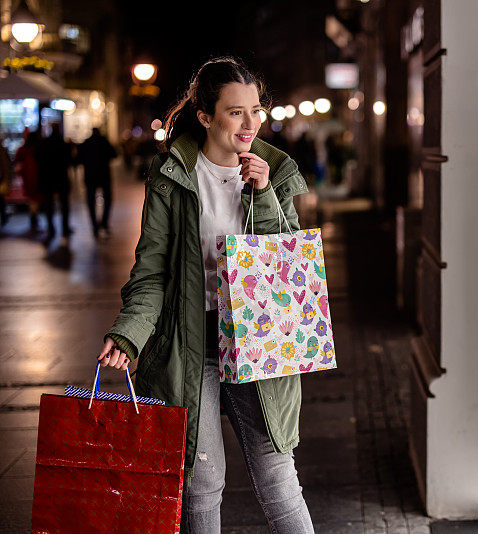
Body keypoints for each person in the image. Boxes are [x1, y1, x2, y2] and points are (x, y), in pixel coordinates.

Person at [97, 56, 314, 533]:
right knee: (201, 482)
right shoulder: (172, 176)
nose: (250, 122)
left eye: (256, 110)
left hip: (259, 341)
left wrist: (264, 198)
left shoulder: (272, 171)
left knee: (278, 478)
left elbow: (288, 265)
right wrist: (129, 334)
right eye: (236, 112)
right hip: (189, 341)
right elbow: (152, 268)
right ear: (205, 116)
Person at [78, 127, 117, 239]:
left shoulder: (86, 143)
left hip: (90, 176)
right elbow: (114, 154)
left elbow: (79, 159)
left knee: (91, 202)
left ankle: (94, 226)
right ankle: (104, 222)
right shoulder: (104, 142)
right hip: (104, 176)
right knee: (108, 200)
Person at [37, 123, 73, 244]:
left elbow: (39, 160)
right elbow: (70, 161)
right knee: (64, 206)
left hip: (48, 179)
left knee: (49, 206)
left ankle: (51, 229)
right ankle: (65, 229)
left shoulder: (44, 143)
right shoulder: (64, 144)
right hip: (61, 178)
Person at [14, 128, 42, 232]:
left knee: (32, 199)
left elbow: (18, 163)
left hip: (28, 177)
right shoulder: (37, 149)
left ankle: (33, 218)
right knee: (35, 199)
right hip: (37, 177)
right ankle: (34, 218)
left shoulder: (23, 149)